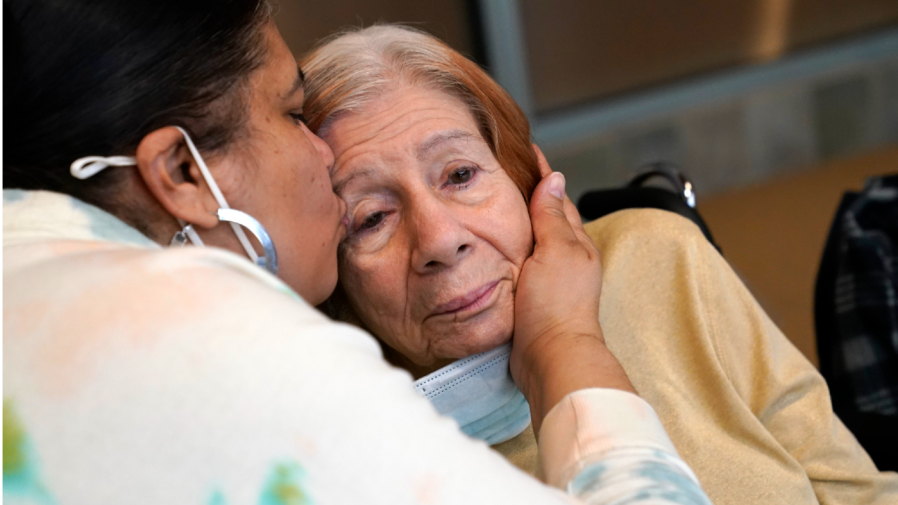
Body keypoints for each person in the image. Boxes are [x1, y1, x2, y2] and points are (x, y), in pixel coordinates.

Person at [1, 1, 712, 503]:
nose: (320, 153)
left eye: (461, 174)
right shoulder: (240, 357)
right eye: (289, 112)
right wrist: (564, 340)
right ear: (184, 174)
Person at [300, 24, 898, 505]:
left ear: (524, 175)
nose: (439, 238)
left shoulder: (657, 257)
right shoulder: (346, 450)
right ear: (334, 281)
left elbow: (853, 489)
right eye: (372, 218)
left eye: (460, 175)